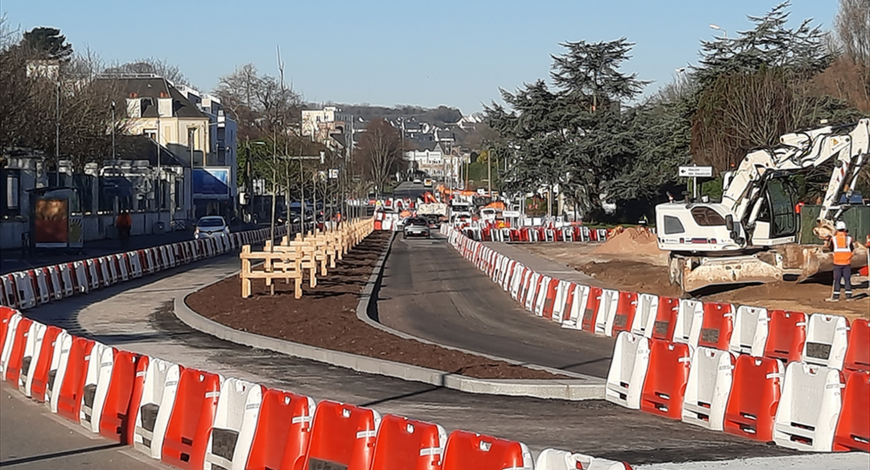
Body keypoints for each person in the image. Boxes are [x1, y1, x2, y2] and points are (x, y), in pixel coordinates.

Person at [825, 220, 856, 301]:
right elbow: (852, 249)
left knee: (837, 279)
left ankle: (836, 296)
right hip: (847, 262)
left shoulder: (834, 239)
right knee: (847, 279)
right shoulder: (849, 239)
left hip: (837, 262)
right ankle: (848, 296)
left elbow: (831, 249)